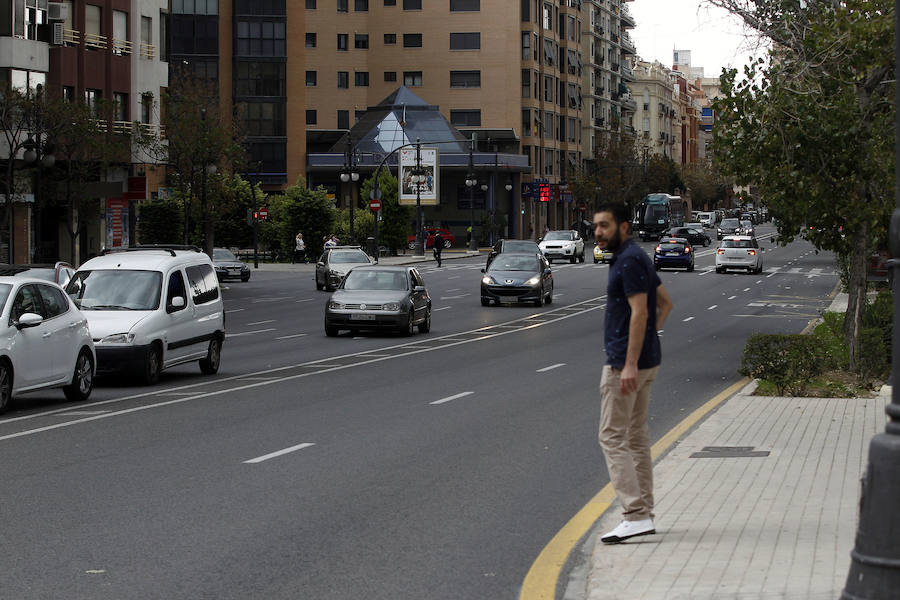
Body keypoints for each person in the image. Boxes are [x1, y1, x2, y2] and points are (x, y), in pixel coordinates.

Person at [593, 202, 673, 545]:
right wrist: (646, 349)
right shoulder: (636, 257)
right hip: (646, 361)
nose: (598, 232)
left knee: (612, 436)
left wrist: (629, 361)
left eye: (605, 225)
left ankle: (635, 514)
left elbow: (641, 313)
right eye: (596, 226)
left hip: (626, 366)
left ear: (624, 226)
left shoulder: (628, 261)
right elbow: (665, 304)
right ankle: (645, 513)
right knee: (636, 437)